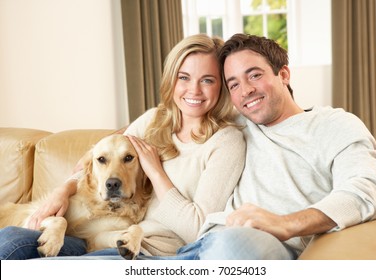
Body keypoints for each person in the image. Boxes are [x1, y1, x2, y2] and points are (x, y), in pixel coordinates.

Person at [141, 33, 376, 260]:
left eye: (254, 75)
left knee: (232, 245)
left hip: (255, 247)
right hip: (194, 248)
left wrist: (286, 223)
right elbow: (169, 113)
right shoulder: (235, 124)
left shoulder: (333, 125)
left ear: (283, 74)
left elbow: (370, 189)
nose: (246, 91)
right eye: (234, 84)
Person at [0, 34, 246, 260]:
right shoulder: (154, 120)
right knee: (14, 238)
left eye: (207, 80)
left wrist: (155, 172)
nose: (193, 90)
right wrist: (62, 191)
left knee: (15, 245)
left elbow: (197, 228)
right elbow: (103, 158)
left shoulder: (226, 142)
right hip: (104, 237)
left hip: (150, 251)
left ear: (221, 86)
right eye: (184, 77)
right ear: (172, 80)